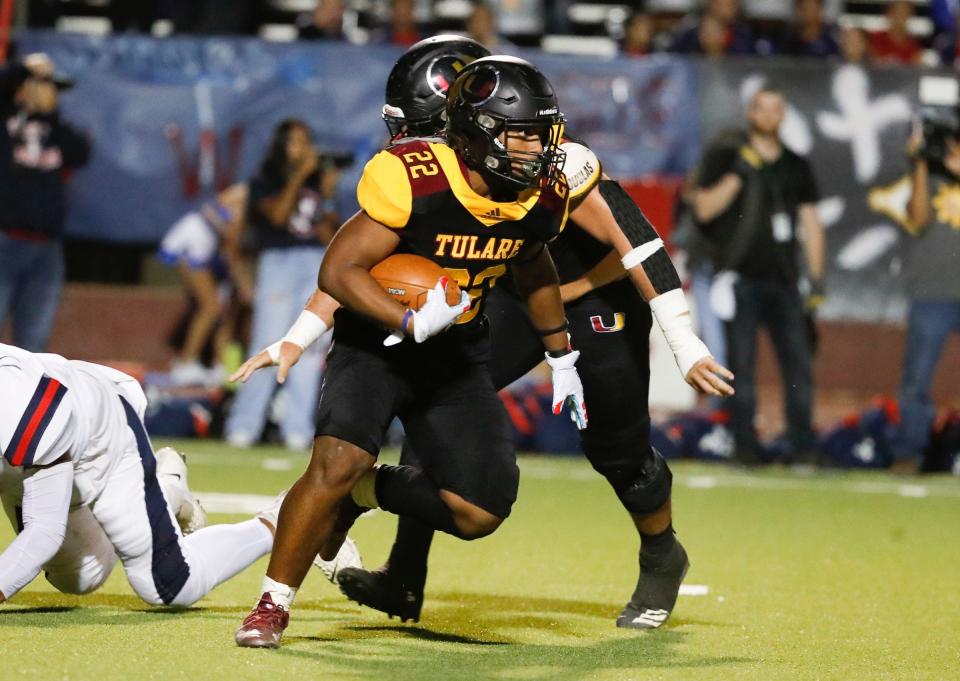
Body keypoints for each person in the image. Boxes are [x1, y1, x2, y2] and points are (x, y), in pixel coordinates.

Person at [234, 37, 733, 632]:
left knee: (617, 450)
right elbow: (374, 262)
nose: (413, 143)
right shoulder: (427, 174)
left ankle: (660, 552)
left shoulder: (550, 163)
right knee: (433, 394)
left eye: (421, 128)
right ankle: (404, 576)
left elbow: (640, 245)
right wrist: (299, 334)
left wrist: (683, 342)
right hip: (511, 298)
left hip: (596, 299)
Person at [233, 56, 588, 649]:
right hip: (377, 345)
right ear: (477, 135)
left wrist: (561, 355)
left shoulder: (542, 196)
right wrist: (405, 318)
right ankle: (272, 604)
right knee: (336, 462)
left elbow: (533, 264)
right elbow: (339, 268)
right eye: (521, 133)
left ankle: (363, 494)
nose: (538, 148)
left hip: (457, 353)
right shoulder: (415, 175)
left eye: (541, 132)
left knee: (481, 512)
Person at [0, 343, 281, 607]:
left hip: (100, 445)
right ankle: (159, 504)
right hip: (33, 460)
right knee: (81, 576)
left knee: (169, 584)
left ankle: (271, 522)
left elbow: (44, 528)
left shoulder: (17, 401)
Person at [690, 89, 826, 465]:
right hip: (739, 279)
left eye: (776, 108)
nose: (768, 116)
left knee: (798, 366)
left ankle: (802, 448)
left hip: (785, 280)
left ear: (784, 115)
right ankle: (745, 448)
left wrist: (816, 280)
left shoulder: (796, 164)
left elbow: (811, 223)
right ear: (750, 112)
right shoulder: (726, 156)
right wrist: (739, 173)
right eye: (762, 108)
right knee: (740, 368)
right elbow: (703, 208)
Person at [223, 120, 340, 451]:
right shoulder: (265, 180)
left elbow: (329, 234)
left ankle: (298, 429)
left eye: (306, 142)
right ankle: (243, 426)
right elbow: (277, 217)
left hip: (315, 260)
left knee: (310, 344)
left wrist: (327, 194)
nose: (302, 149)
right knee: (268, 340)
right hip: (279, 261)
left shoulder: (320, 183)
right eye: (294, 142)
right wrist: (301, 177)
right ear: (281, 146)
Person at [0, 52, 90, 352]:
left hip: (46, 249)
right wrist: (24, 69)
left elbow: (81, 154)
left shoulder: (58, 128)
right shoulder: (5, 117)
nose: (46, 90)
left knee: (34, 345)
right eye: (39, 84)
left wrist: (50, 114)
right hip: (5, 241)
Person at [889, 124, 960, 473]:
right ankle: (909, 453)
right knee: (917, 379)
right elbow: (917, 218)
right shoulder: (928, 177)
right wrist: (918, 163)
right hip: (932, 292)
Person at [158, 183, 253, 386]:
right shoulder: (249, 196)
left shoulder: (247, 197)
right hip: (195, 240)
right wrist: (244, 283)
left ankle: (221, 367)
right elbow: (232, 248)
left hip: (209, 246)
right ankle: (185, 364)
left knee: (223, 310)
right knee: (210, 307)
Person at [669, 0, 755, 56]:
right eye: (726, 4)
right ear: (712, 4)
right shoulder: (691, 34)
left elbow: (746, 65)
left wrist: (716, 50)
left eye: (734, 4)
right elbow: (675, 59)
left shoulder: (742, 35)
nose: (732, 9)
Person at [868, 0, 922, 65]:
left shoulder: (914, 44)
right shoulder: (875, 38)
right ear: (889, 14)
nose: (900, 17)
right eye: (897, 13)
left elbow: (915, 68)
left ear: (910, 15)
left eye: (905, 13)